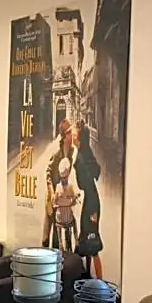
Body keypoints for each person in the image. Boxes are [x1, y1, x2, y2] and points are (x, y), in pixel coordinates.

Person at [73, 120, 104, 278]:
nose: (72, 135)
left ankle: (100, 281)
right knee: (86, 240)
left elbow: (83, 183)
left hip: (91, 203)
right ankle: (87, 274)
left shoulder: (82, 157)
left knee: (93, 244)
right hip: (90, 200)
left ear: (79, 137)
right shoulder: (84, 152)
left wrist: (93, 213)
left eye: (74, 133)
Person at [43, 119, 77, 248]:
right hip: (53, 192)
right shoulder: (57, 152)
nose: (72, 134)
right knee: (48, 229)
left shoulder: (71, 150)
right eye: (70, 132)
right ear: (65, 135)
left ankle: (61, 254)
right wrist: (52, 193)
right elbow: (48, 173)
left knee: (61, 226)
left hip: (62, 191)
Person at [52, 157, 80, 251]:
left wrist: (58, 204)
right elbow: (73, 202)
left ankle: (60, 242)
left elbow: (54, 202)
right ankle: (76, 240)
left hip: (60, 218)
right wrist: (74, 199)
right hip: (68, 218)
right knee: (74, 222)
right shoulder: (70, 187)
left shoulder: (57, 187)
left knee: (58, 219)